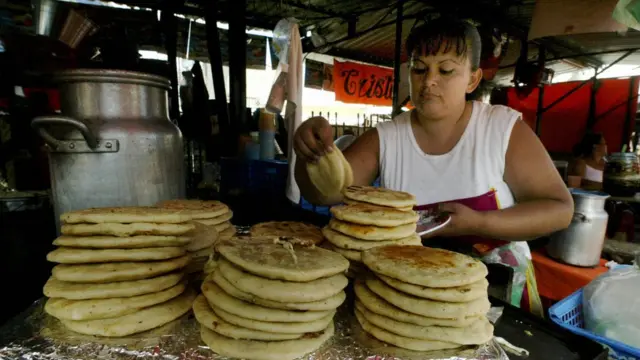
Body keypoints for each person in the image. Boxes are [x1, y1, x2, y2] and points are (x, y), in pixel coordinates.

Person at [293, 17, 573, 315]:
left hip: (497, 295)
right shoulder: (386, 137)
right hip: (410, 290)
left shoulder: (501, 129)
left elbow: (559, 209)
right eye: (419, 69)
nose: (429, 81)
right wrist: (311, 154)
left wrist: (479, 222)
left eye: (447, 70)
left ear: (473, 79)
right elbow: (325, 194)